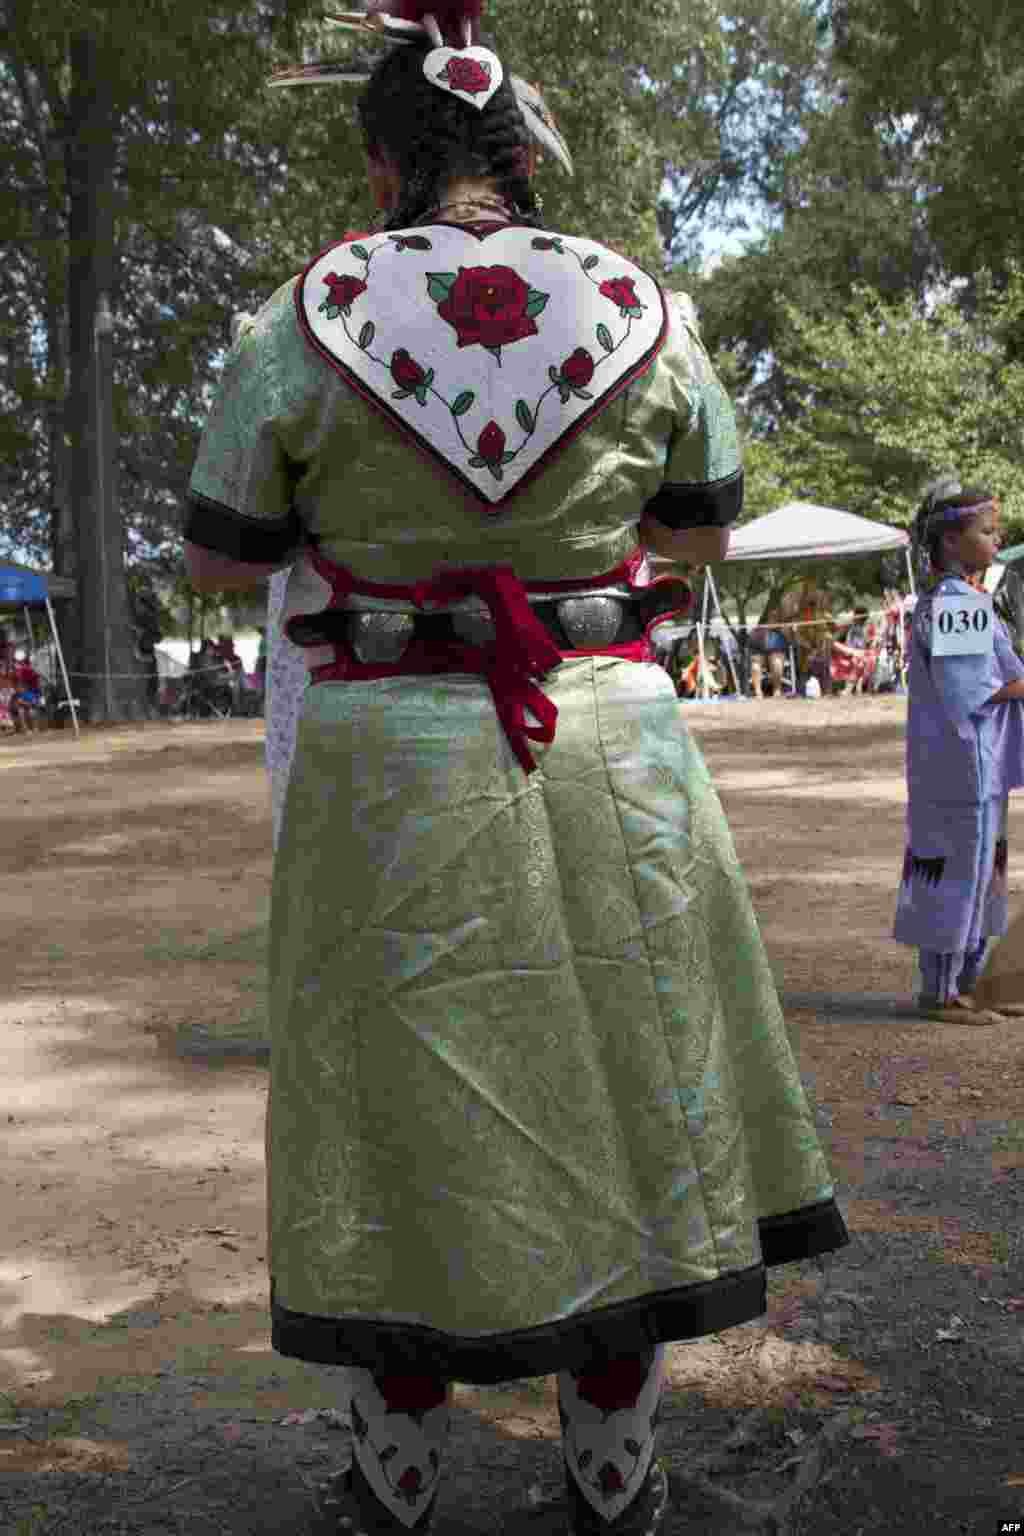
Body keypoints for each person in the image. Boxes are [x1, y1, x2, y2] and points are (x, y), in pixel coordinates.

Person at [183, 5, 847, 1530]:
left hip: (385, 756)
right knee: (632, 1067)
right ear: (524, 154)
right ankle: (614, 1473)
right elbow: (697, 531)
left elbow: (227, 561)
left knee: (391, 1093)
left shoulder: (302, 315)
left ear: (381, 162)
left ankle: (395, 1478)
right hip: (606, 732)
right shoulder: (646, 307)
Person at [893, 481, 1024, 1024]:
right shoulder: (952, 605)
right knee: (958, 869)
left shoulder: (965, 600)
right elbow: (970, 689)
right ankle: (942, 992)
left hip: (977, 766)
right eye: (987, 531)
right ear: (951, 541)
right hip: (958, 770)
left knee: (981, 868)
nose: (998, 539)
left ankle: (968, 985)